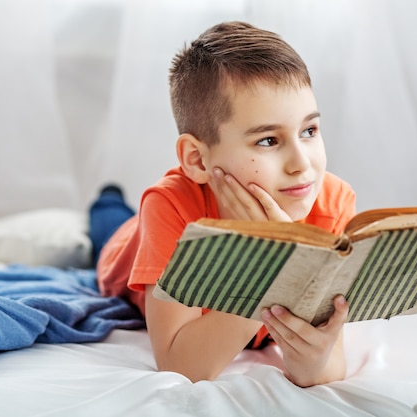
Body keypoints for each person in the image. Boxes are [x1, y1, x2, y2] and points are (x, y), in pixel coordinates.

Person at [94, 21, 356, 387]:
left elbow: (330, 366)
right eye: (268, 140)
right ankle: (107, 199)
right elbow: (179, 364)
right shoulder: (170, 205)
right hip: (124, 250)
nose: (302, 163)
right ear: (198, 161)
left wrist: (313, 362)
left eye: (309, 131)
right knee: (106, 224)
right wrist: (274, 265)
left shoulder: (332, 203)